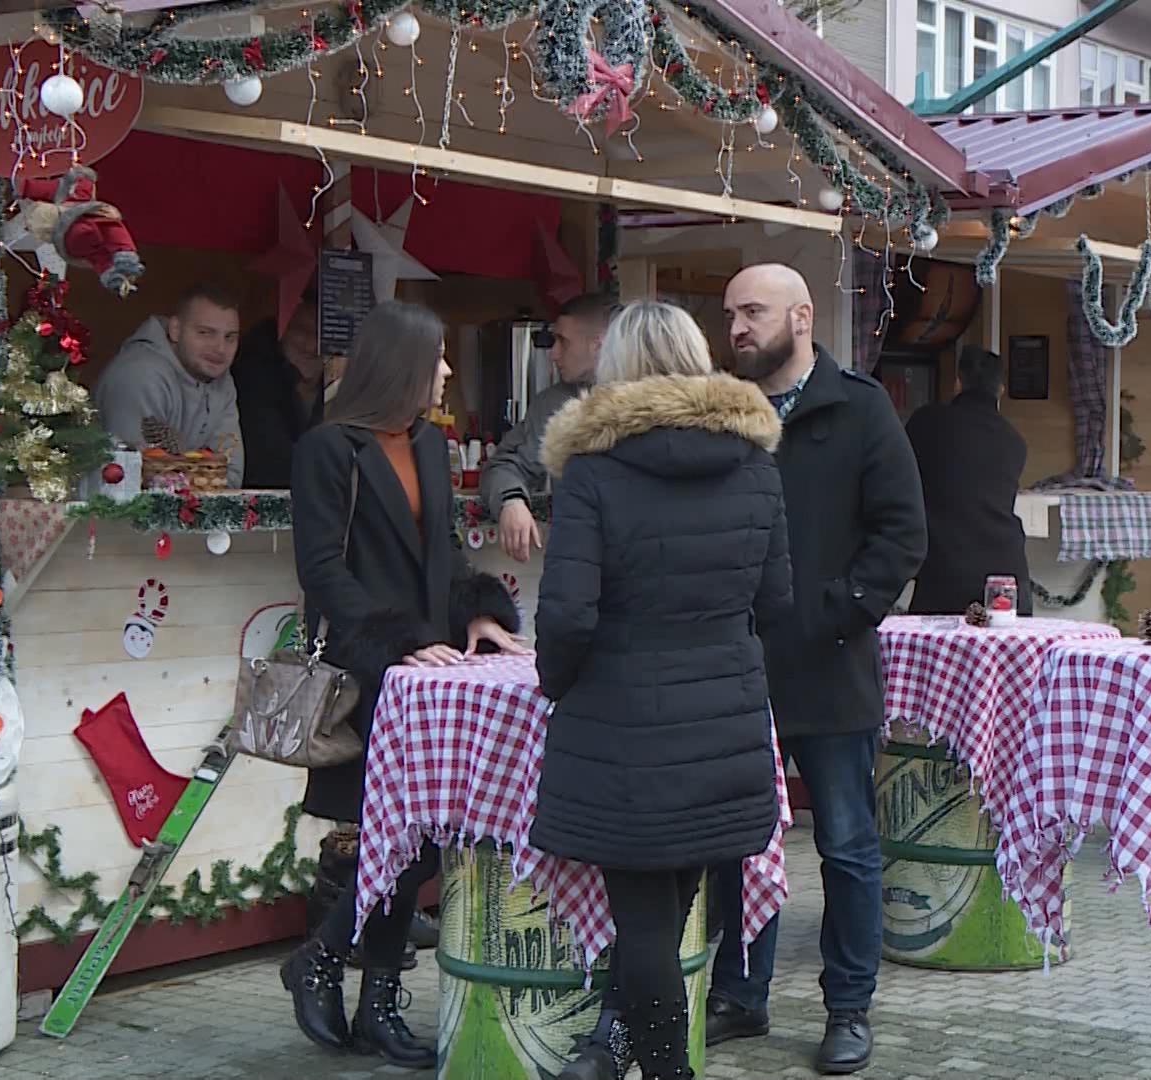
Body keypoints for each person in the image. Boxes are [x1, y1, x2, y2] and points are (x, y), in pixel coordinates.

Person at [529, 300, 793, 1080]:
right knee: (669, 912)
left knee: (641, 925)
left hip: (623, 726)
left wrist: (557, 683)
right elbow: (776, 602)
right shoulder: (754, 465)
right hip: (727, 719)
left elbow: (569, 615)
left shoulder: (594, 472)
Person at [280, 300, 526, 1069]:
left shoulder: (426, 443)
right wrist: (395, 644)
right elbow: (321, 569)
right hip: (371, 672)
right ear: (401, 365)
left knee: (420, 841)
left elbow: (444, 553)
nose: (448, 371)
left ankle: (367, 995)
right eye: (438, 358)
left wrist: (477, 614)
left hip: (433, 673)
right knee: (386, 843)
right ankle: (327, 966)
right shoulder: (328, 449)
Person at [707, 264, 927, 1075]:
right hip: (739, 672)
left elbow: (902, 534)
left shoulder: (860, 408)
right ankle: (740, 994)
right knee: (740, 842)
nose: (736, 327)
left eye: (753, 311)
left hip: (833, 668)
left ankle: (848, 1008)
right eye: (730, 313)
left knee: (846, 846)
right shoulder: (722, 414)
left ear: (801, 317)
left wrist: (836, 611)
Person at [481, 294, 616, 562]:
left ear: (597, 345)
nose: (553, 353)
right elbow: (505, 464)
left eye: (563, 342)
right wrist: (511, 500)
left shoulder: (650, 397)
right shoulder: (553, 404)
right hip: (579, 557)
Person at [904, 344, 1033, 616]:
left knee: (933, 655)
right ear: (1000, 390)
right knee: (1004, 656)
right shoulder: (1014, 441)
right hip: (1005, 572)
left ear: (958, 383)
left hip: (945, 569)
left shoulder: (926, 423)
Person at [96, 283, 246, 486]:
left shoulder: (220, 378)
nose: (220, 348)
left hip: (187, 512)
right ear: (175, 330)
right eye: (205, 333)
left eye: (230, 337)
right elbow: (136, 476)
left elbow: (230, 474)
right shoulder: (141, 374)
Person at [234, 292, 327, 490]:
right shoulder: (254, 378)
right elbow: (270, 465)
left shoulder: (338, 386)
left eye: (322, 335)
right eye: (302, 330)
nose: (312, 345)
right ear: (281, 331)